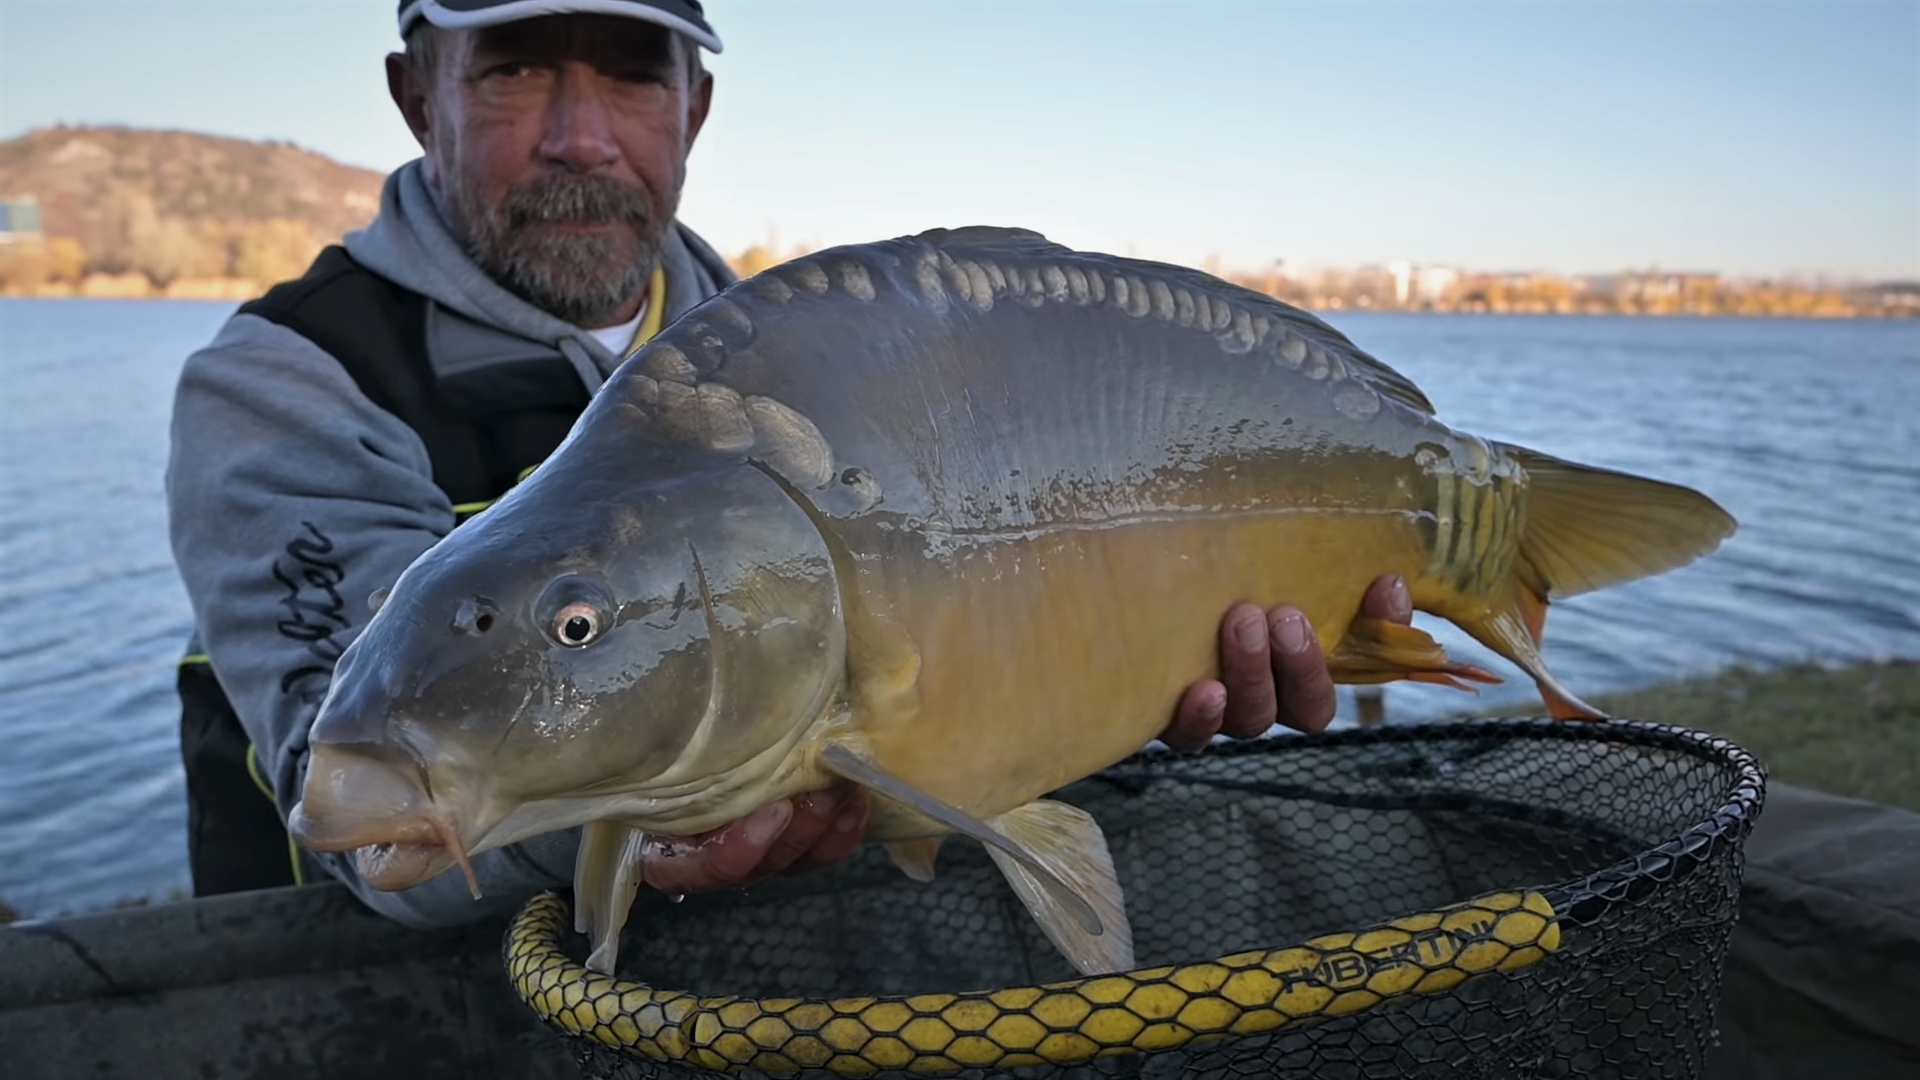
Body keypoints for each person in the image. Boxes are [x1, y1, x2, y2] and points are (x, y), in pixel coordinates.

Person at [165, 0, 1410, 926]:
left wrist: (1134, 680)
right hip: (392, 1015)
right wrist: (645, 823)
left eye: (632, 74)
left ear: (693, 106)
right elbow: (360, 828)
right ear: (414, 91)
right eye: (514, 69)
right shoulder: (290, 380)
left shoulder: (822, 375)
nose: (580, 136)